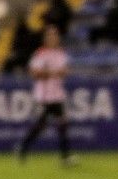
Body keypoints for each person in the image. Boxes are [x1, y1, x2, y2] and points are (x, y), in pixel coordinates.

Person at [17, 26, 75, 165]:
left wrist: (61, 72)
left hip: (57, 95)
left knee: (63, 124)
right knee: (40, 126)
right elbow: (34, 72)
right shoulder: (41, 53)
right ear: (45, 38)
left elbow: (65, 70)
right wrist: (51, 73)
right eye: (50, 35)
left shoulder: (61, 53)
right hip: (44, 96)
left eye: (55, 35)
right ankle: (23, 148)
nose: (52, 38)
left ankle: (65, 157)